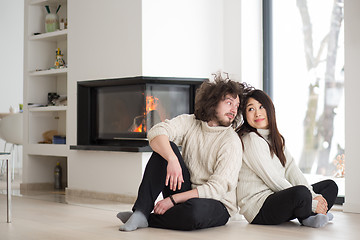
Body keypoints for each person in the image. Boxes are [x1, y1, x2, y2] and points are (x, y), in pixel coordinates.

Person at [117, 74, 246, 231]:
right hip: (185, 191)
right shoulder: (191, 122)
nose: (234, 109)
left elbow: (216, 189)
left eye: (237, 106)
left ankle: (147, 219)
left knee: (194, 212)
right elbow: (156, 131)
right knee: (165, 147)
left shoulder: (231, 141)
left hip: (216, 203)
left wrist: (172, 200)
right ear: (213, 101)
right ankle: (141, 211)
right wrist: (172, 158)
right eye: (229, 102)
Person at [236, 89, 338, 228]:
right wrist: (313, 203)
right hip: (259, 208)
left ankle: (309, 215)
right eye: (251, 109)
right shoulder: (251, 140)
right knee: (301, 193)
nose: (257, 113)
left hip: (278, 198)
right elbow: (273, 179)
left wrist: (313, 195)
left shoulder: (276, 138)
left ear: (270, 109)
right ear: (245, 115)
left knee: (330, 186)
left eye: (261, 107)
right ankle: (310, 214)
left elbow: (292, 170)